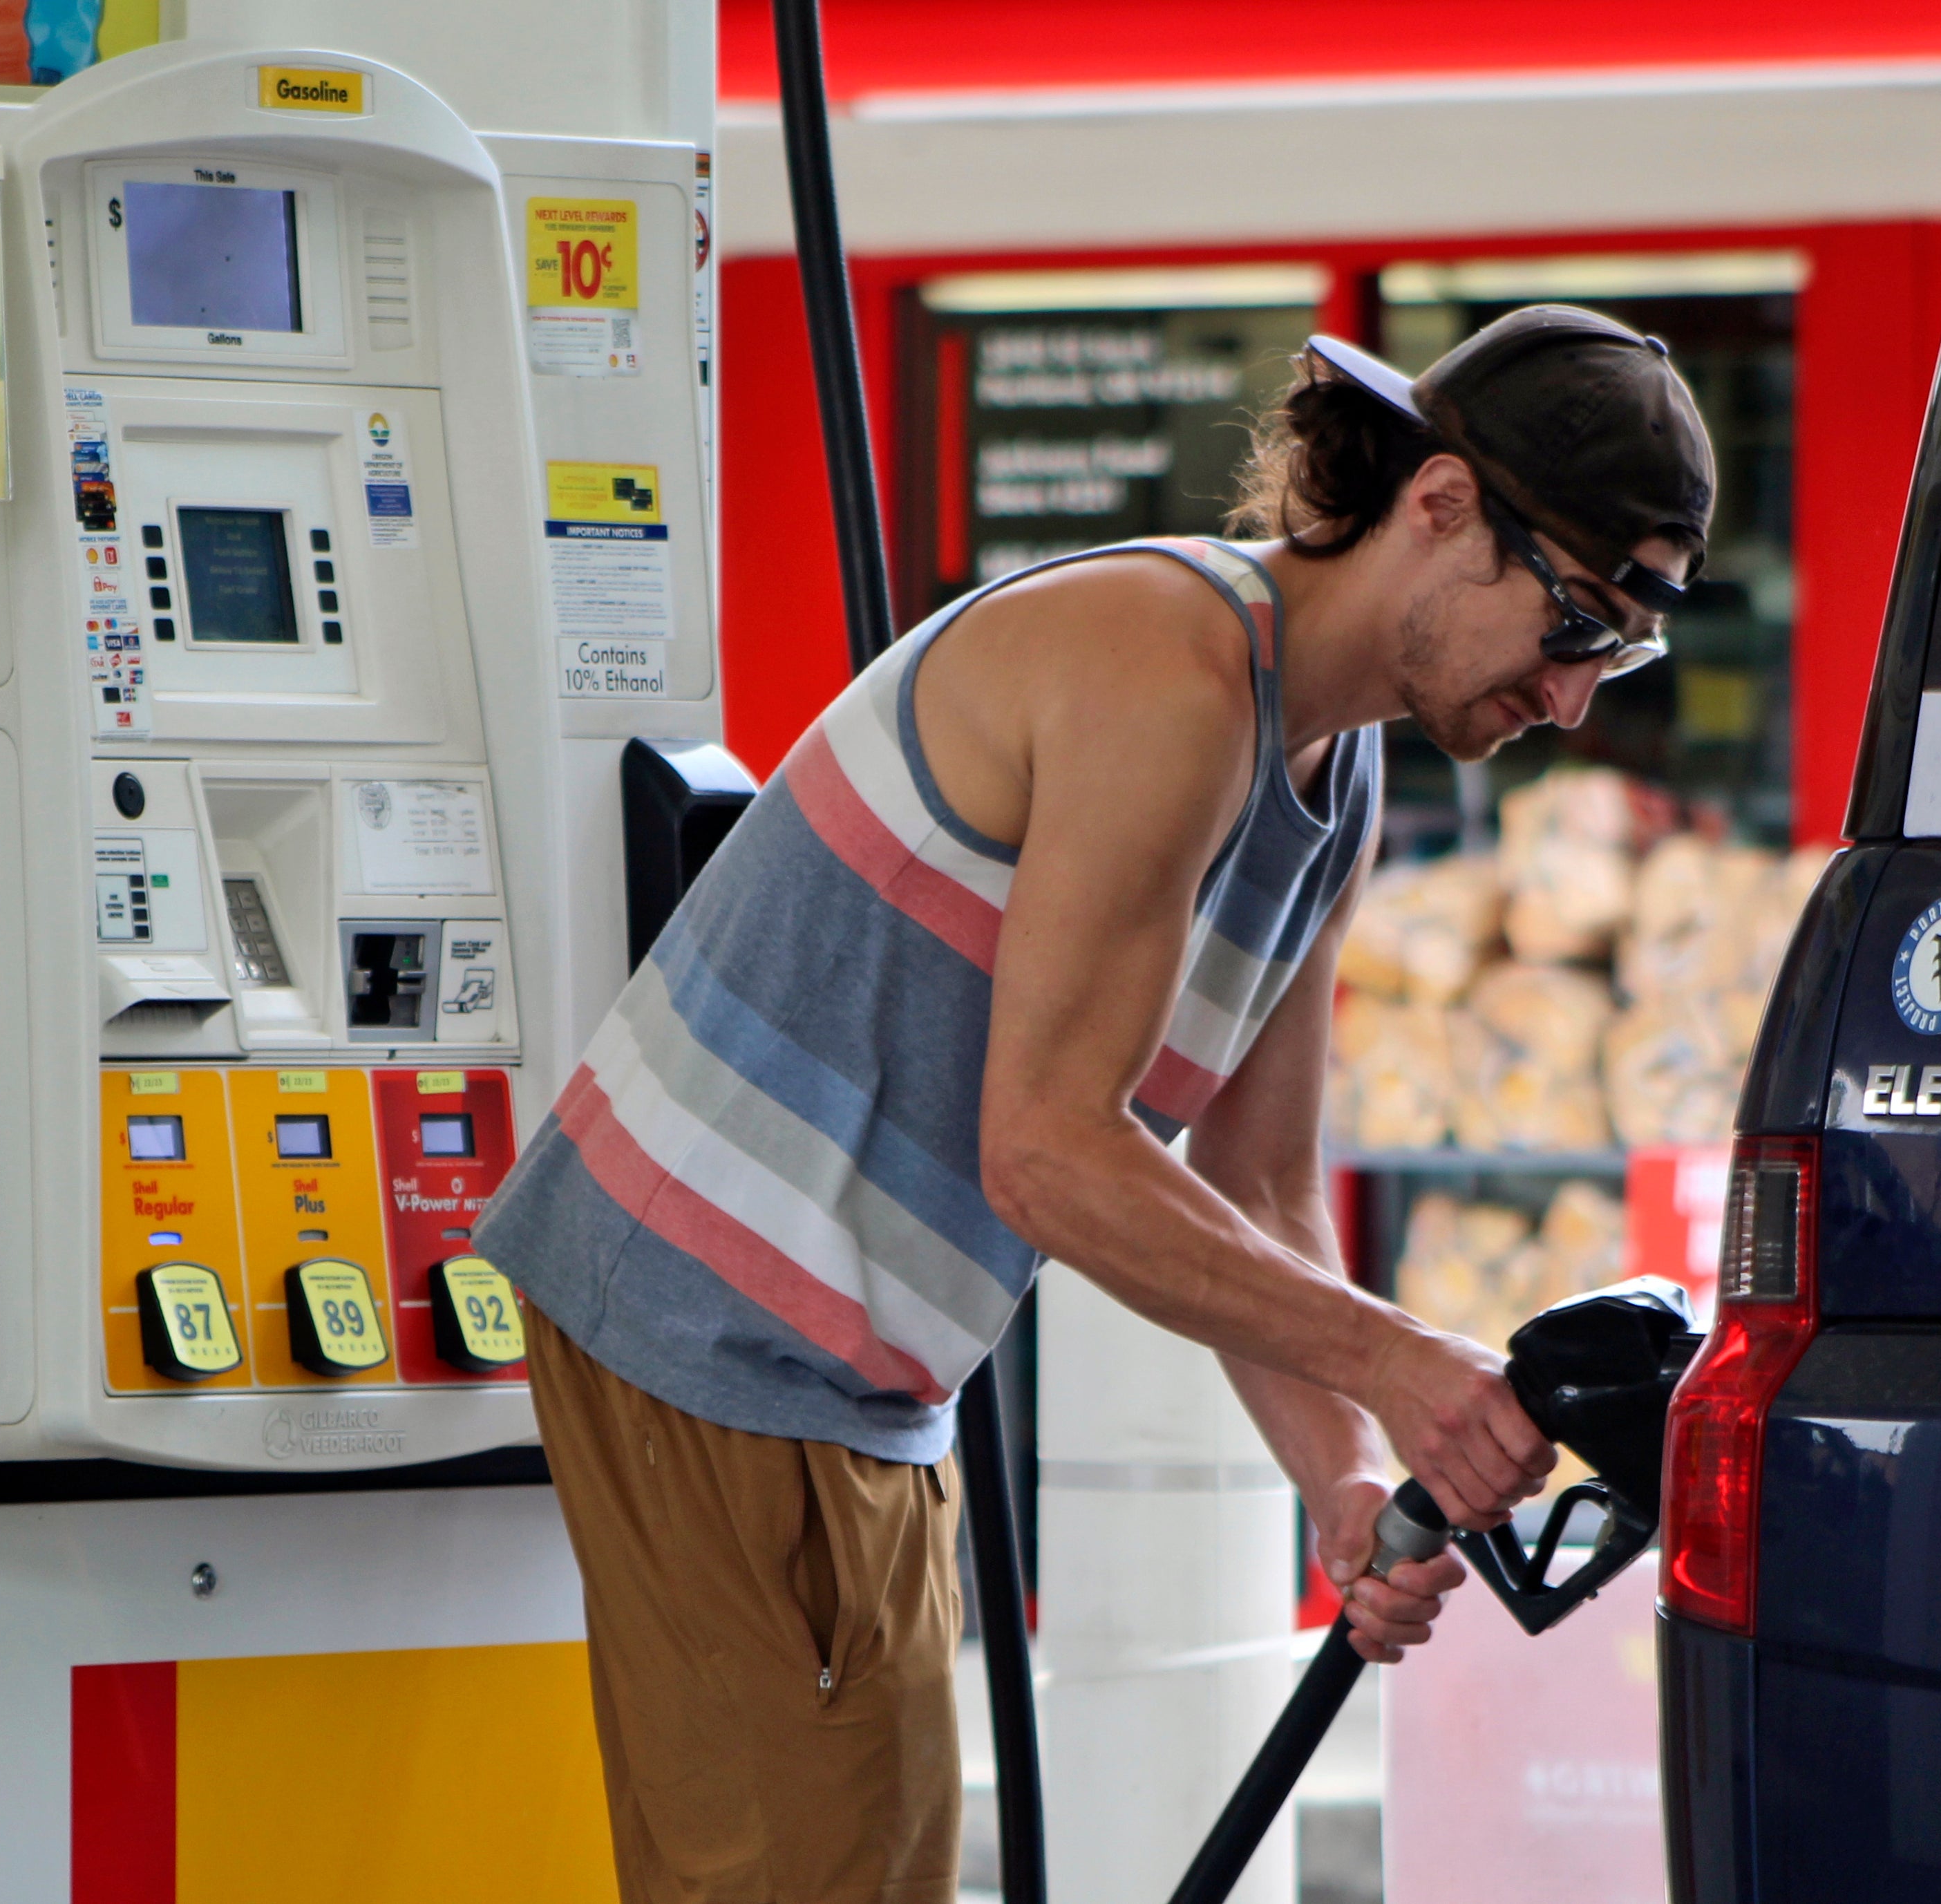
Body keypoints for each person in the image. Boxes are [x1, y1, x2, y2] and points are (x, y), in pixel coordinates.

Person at [474, 305, 1715, 1903]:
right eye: (1571, 623)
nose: (1571, 703)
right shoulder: (1168, 669)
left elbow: (1260, 1183)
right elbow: (1051, 1150)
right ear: (1440, 504)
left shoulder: (1334, 774)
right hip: (707, 1313)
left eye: (1621, 649)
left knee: (872, 1863)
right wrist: (1399, 1365)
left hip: (855, 1368)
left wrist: (1343, 1477)